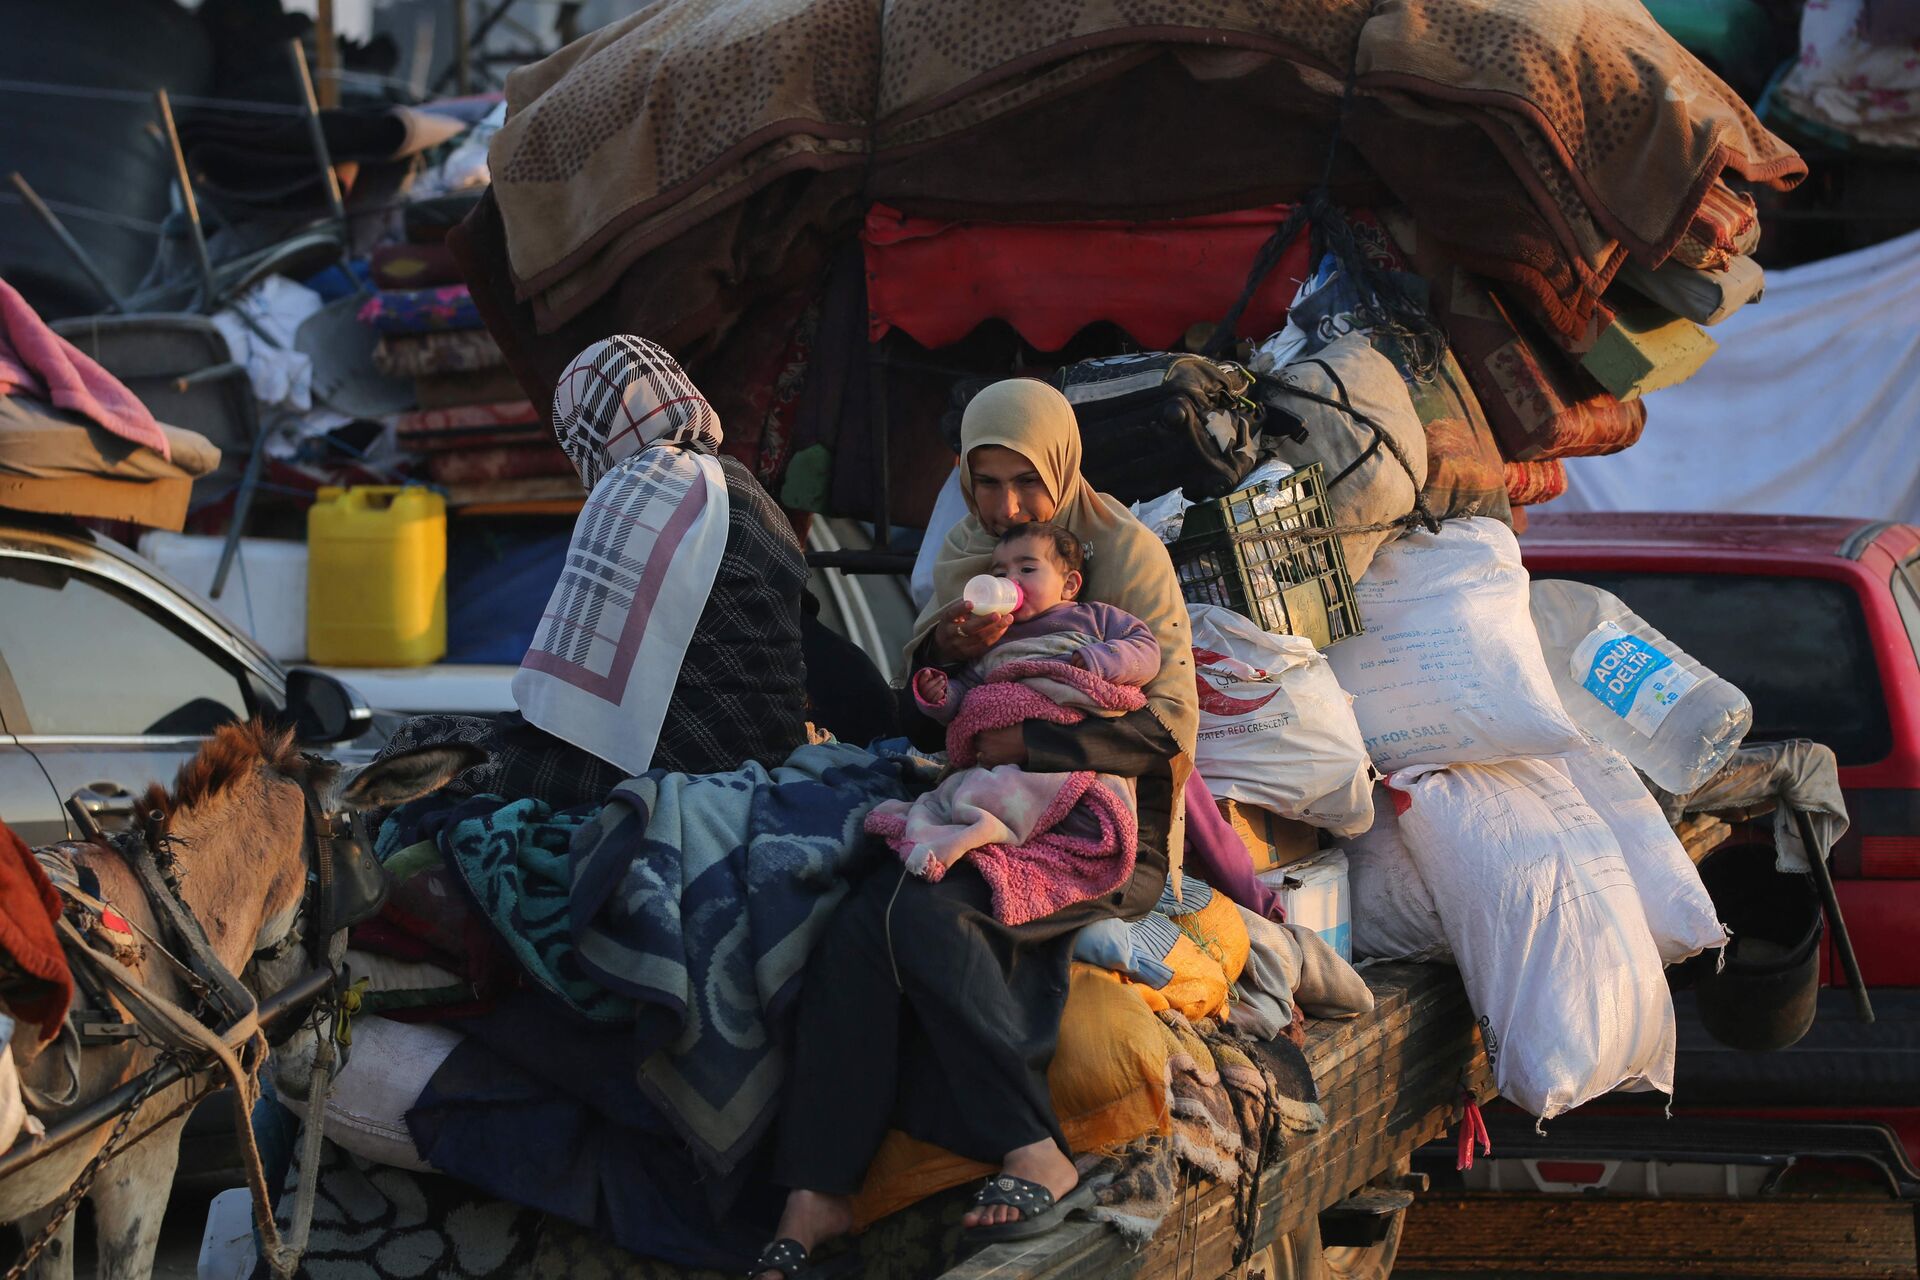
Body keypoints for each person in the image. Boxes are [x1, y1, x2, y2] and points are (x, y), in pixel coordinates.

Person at [751, 379, 1198, 1279]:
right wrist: (947, 656)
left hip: (1101, 825)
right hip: (985, 807)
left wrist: (1027, 736)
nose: (1005, 509)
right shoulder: (967, 552)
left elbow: (1168, 732)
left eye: (1024, 485)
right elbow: (926, 723)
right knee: (852, 928)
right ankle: (819, 1188)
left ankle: (1031, 1145)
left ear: (1062, 468)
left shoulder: (1125, 555)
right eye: (985, 483)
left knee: (923, 916)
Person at [375, 336, 810, 803]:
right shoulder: (742, 484)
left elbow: (562, 707)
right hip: (767, 751)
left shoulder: (636, 486)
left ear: (590, 425)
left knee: (417, 747)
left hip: (673, 769)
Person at [910, 521, 1160, 723]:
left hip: (1072, 734)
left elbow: (1145, 648)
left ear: (1069, 585)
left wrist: (1102, 660)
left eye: (1027, 570)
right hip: (1005, 743)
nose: (1011, 581)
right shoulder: (994, 634)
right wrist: (942, 695)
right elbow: (970, 693)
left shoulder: (1094, 617)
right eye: (1000, 574)